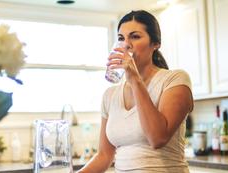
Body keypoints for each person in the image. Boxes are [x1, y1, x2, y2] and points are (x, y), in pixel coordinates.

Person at [77, 10, 193, 173]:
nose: (126, 44)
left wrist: (134, 79)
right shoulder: (110, 96)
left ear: (155, 44)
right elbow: (104, 155)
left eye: (135, 36)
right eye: (121, 38)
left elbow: (157, 138)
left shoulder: (175, 79)